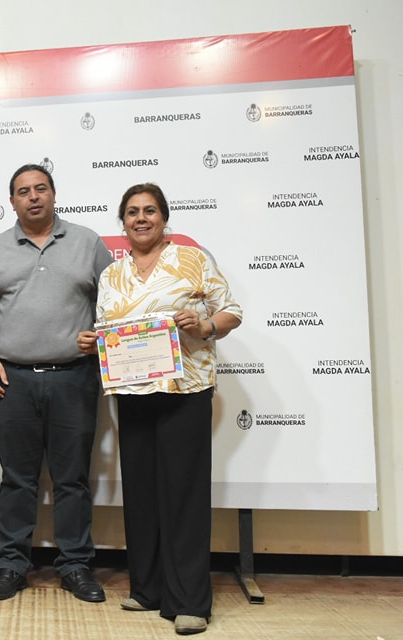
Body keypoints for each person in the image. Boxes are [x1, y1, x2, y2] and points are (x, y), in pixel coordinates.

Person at [84, 183, 242, 635]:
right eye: (132, 212)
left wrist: (206, 323)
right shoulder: (112, 275)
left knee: (184, 495)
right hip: (132, 393)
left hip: (185, 390)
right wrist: (92, 341)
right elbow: (108, 331)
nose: (140, 218)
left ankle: (190, 600)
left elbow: (230, 311)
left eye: (149, 211)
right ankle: (147, 589)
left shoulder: (191, 259)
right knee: (141, 491)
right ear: (123, 221)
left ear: (164, 217)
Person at [0, 164, 112, 602]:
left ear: (54, 194)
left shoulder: (88, 243)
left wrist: (103, 339)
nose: (33, 197)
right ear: (11, 201)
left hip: (74, 378)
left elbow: (116, 303)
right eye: (22, 192)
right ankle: (13, 565)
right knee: (17, 479)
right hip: (11, 381)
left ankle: (75, 566)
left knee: (72, 479)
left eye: (40, 189)